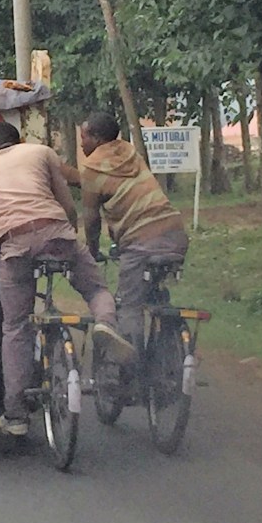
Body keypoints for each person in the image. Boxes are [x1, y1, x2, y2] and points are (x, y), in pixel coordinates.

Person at [0, 121, 135, 437]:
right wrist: (70, 235)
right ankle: (105, 323)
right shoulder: (41, 152)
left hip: (15, 246)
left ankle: (15, 415)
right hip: (56, 234)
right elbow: (66, 203)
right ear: (19, 140)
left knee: (14, 327)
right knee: (96, 288)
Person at [79, 113, 189, 355]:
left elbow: (91, 219)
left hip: (140, 241)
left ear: (96, 139)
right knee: (150, 288)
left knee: (129, 305)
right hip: (175, 233)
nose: (81, 143)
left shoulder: (91, 169)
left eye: (83, 137)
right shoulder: (130, 152)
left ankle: (132, 368)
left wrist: (92, 251)